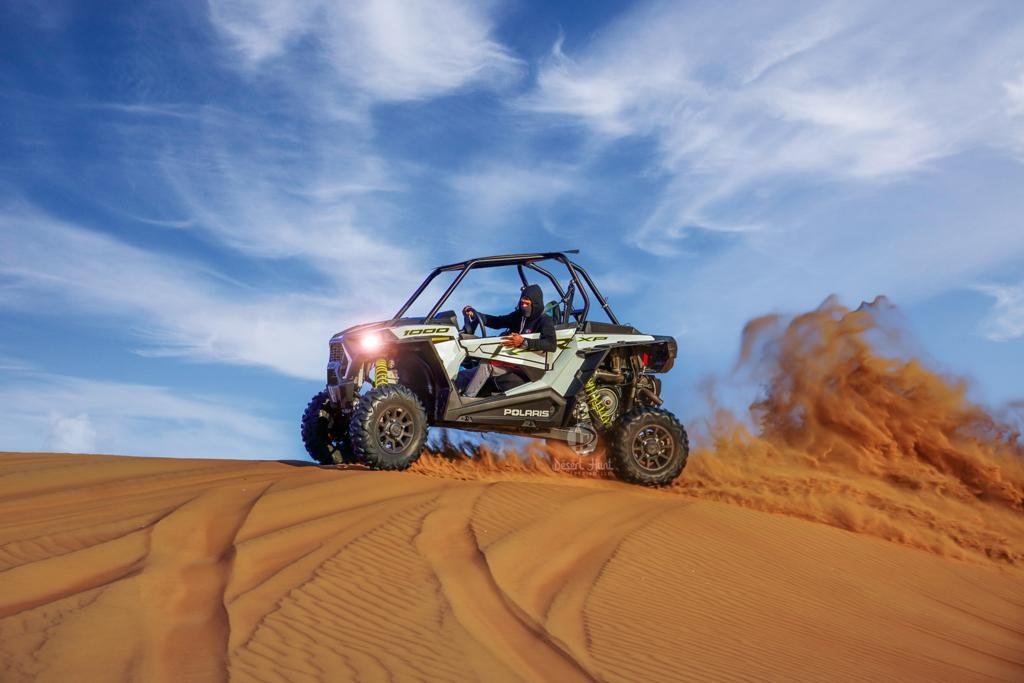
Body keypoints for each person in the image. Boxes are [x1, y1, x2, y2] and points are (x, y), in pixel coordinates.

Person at [458, 283, 557, 396]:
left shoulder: (544, 320)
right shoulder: (519, 316)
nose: (524, 306)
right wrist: (476, 315)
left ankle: (468, 397)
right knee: (463, 375)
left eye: (527, 303)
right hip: (509, 360)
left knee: (486, 363)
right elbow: (497, 322)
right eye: (522, 302)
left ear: (535, 303)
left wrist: (524, 342)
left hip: (526, 367)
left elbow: (551, 344)